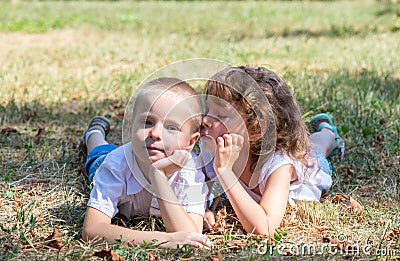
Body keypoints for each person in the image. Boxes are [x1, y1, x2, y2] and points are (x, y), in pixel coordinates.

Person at [200, 66, 344, 235]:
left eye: (221, 115)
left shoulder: (279, 165)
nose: (205, 120)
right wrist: (202, 210)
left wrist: (225, 172)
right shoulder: (213, 146)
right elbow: (202, 189)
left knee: (317, 148)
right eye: (208, 110)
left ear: (256, 130)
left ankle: (328, 131)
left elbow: (264, 228)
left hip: (310, 168)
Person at [80, 77, 212, 249]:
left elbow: (190, 236)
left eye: (171, 127)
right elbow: (91, 231)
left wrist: (159, 177)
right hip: (109, 160)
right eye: (147, 122)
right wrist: (162, 240)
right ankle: (93, 134)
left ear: (190, 142)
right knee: (98, 154)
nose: (156, 133)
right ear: (130, 127)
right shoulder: (115, 166)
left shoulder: (191, 172)